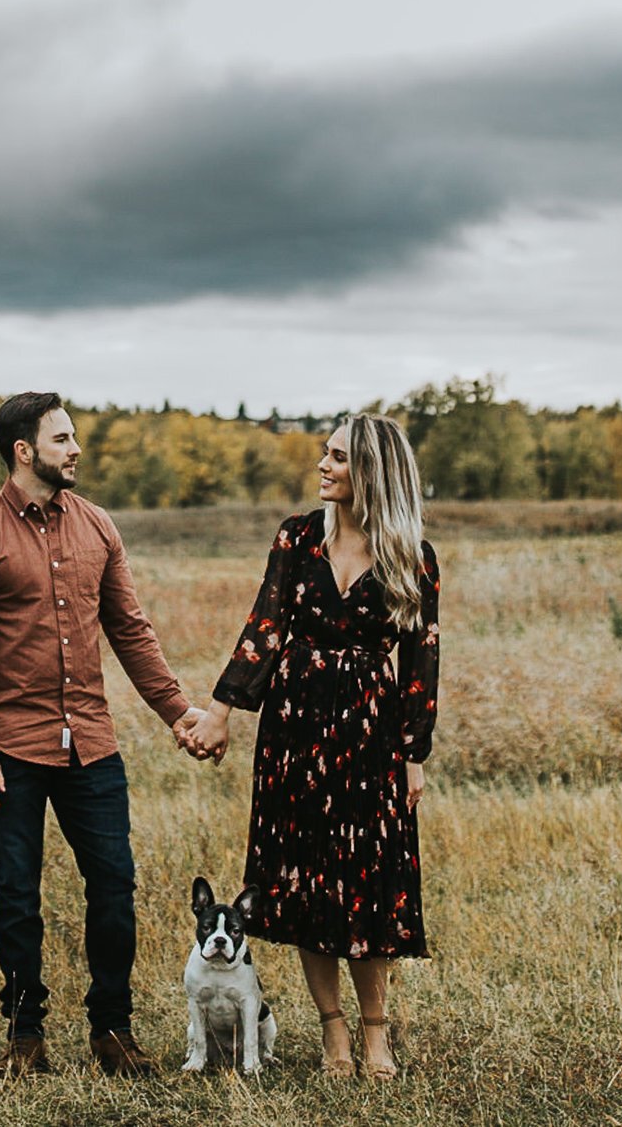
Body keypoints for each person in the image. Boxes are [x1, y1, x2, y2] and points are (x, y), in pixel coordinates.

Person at [0, 391, 212, 1080]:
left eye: (74, 436)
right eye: (62, 438)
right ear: (24, 450)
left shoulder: (97, 526)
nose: (76, 448)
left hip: (91, 741)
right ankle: (25, 1034)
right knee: (17, 895)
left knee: (116, 885)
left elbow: (130, 628)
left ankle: (111, 1031)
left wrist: (177, 711)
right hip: (10, 749)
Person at [178, 412, 440, 1081]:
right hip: (294, 732)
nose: (322, 464)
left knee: (368, 886)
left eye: (338, 457)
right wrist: (221, 712)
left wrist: (413, 753)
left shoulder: (412, 555)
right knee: (303, 884)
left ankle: (376, 1033)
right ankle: (335, 1038)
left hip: (370, 735)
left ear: (372, 472)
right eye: (325, 454)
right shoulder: (298, 538)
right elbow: (264, 625)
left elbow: (421, 660)